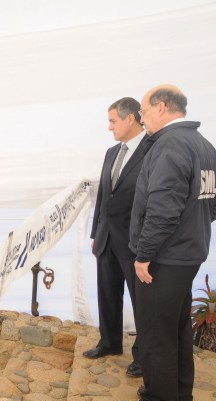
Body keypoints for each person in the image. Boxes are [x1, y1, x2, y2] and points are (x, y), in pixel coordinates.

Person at [116, 85, 216, 401]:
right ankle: (180, 397)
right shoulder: (205, 147)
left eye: (145, 111)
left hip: (164, 258)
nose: (143, 117)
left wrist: (144, 255)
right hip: (188, 255)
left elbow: (162, 210)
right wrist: (191, 225)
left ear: (162, 107)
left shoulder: (169, 146)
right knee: (176, 326)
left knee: (156, 332)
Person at [85, 97, 152, 380]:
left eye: (113, 121)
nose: (109, 127)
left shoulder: (154, 150)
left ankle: (143, 358)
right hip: (106, 238)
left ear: (131, 119)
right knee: (107, 294)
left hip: (136, 242)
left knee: (142, 303)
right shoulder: (112, 152)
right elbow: (104, 194)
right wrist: (94, 232)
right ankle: (110, 343)